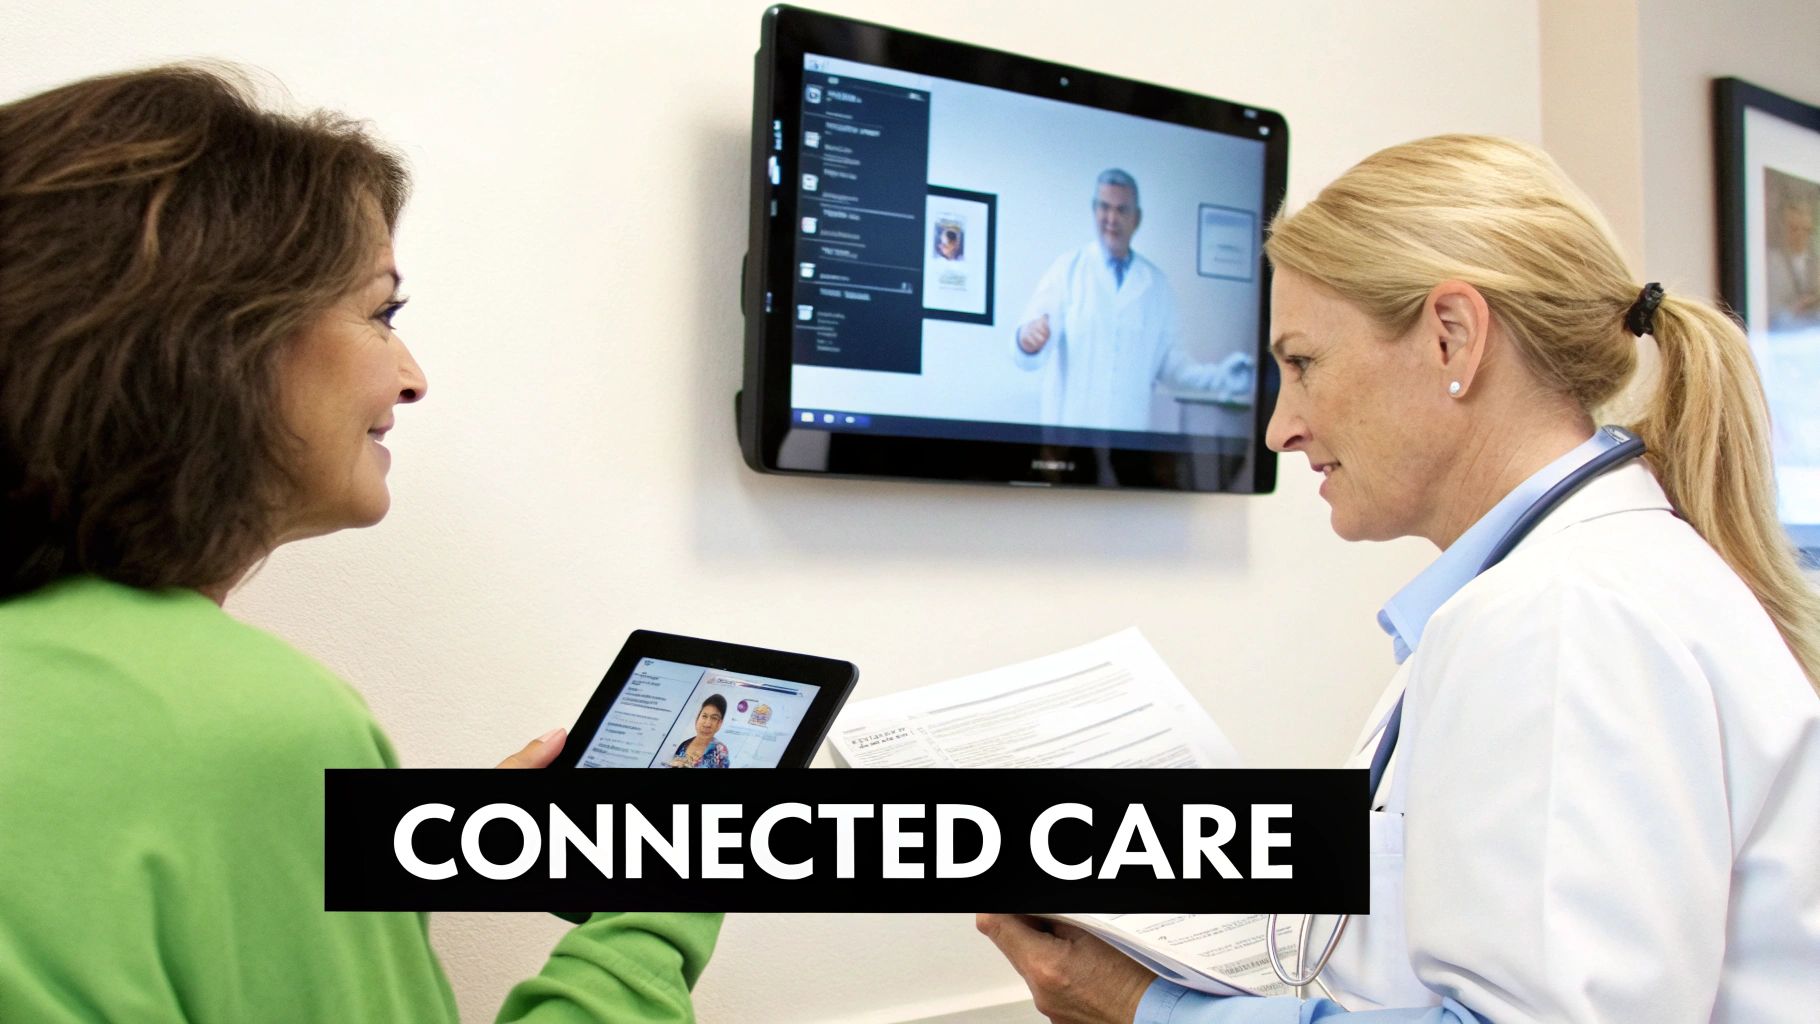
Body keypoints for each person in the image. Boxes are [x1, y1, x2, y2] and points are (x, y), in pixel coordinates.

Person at [979, 135, 1820, 1022]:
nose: (1281, 428)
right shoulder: (1582, 581)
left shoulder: (1563, 614)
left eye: (1302, 363)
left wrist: (1148, 1010)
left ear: (1453, 338)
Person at [0, 65, 718, 1022]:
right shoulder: (242, 722)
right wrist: (664, 904)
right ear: (215, 341)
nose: (413, 378)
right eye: (383, 313)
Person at [1014, 168, 1253, 432]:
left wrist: (1222, 379)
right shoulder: (1067, 270)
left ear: (1136, 218)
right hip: (1069, 442)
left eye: (1121, 210)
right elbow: (1032, 343)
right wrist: (1027, 340)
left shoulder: (1157, 286)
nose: (1111, 219)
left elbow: (1174, 369)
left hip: (1128, 442)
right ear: (1094, 210)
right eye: (1104, 207)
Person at [668, 694, 733, 768]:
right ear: (697, 718)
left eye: (714, 718)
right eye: (704, 716)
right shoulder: (683, 745)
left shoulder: (720, 751)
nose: (707, 724)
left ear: (719, 723)